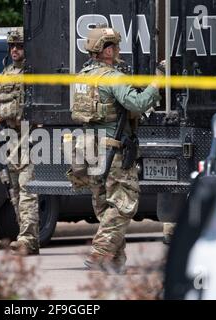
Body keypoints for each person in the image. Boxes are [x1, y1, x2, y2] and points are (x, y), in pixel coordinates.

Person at [68, 26, 165, 273]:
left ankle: (115, 261)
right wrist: (156, 83)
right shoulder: (113, 78)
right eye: (114, 46)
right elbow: (138, 103)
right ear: (106, 50)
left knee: (104, 206)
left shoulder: (82, 77)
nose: (117, 50)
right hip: (112, 151)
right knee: (124, 204)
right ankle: (100, 252)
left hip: (89, 149)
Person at [0, 28, 40, 256]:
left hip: (29, 137)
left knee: (27, 189)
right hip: (9, 140)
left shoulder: (34, 73)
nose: (15, 50)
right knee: (15, 193)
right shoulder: (5, 74)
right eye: (12, 46)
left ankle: (26, 239)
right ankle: (28, 239)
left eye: (19, 46)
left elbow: (36, 107)